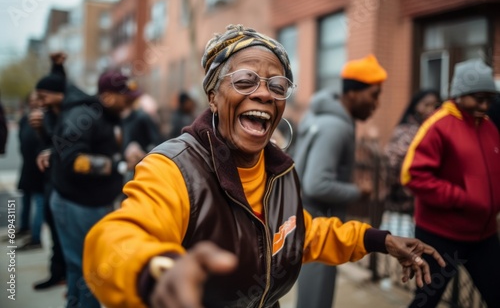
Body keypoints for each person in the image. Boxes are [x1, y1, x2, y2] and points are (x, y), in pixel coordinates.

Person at [83, 24, 445, 308]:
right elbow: (116, 238)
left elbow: (302, 234)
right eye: (244, 81)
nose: (264, 93)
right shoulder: (174, 168)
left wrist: (380, 240)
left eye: (277, 84)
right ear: (212, 95)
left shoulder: (280, 171)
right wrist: (156, 271)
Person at [402, 59, 500, 308]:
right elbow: (412, 176)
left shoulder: (489, 127)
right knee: (426, 300)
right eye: (478, 98)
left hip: (484, 234)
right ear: (460, 93)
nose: (485, 105)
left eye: (489, 99)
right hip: (441, 235)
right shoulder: (438, 125)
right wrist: (463, 198)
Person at [294, 54, 387, 308]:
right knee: (316, 301)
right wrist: (357, 191)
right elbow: (317, 183)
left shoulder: (319, 116)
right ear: (353, 94)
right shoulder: (336, 127)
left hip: (307, 221)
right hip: (321, 227)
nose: (376, 104)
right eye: (373, 95)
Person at [48, 69, 139, 308]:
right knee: (89, 269)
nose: (131, 101)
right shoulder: (82, 116)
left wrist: (127, 151)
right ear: (108, 96)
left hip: (94, 203)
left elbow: (107, 146)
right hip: (76, 204)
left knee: (82, 269)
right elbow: (74, 161)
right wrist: (118, 164)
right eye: (126, 97)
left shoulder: (110, 116)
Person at [29, 52, 68, 290]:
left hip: (62, 186)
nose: (39, 102)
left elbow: (58, 86)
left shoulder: (67, 114)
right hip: (48, 181)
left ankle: (66, 276)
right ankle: (58, 273)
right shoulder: (48, 117)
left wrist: (57, 66)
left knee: (65, 236)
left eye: (42, 97)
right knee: (54, 233)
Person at [380, 90, 440, 238]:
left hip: (429, 210)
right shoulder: (406, 132)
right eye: (426, 104)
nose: (430, 109)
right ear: (415, 106)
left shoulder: (436, 132)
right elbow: (392, 165)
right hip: (402, 209)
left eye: (435, 105)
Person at [17, 91, 46, 250]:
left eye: (38, 99)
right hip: (27, 168)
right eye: (32, 99)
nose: (35, 102)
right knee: (26, 200)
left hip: (39, 171)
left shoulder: (45, 120)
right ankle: (24, 228)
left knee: (40, 204)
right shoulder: (24, 120)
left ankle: (36, 238)